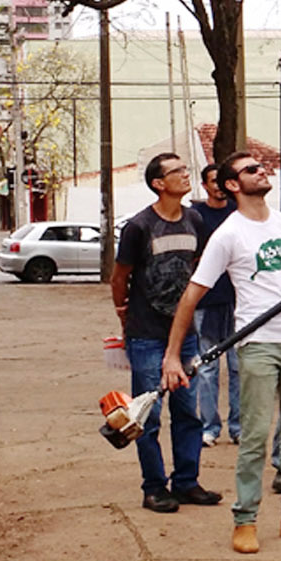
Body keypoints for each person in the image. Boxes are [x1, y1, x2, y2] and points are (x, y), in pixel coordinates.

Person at [162, 151, 281, 554]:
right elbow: (192, 295)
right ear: (232, 185)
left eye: (262, 168)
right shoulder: (228, 234)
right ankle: (244, 519)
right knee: (256, 435)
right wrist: (173, 355)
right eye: (250, 170)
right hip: (258, 343)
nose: (261, 172)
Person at [112, 153, 221, 513]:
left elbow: (199, 264)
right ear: (159, 183)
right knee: (147, 413)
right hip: (146, 333)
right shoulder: (139, 227)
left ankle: (187, 482)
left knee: (189, 410)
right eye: (177, 171)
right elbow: (120, 276)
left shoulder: (194, 220)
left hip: (186, 332)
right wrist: (124, 314)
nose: (185, 175)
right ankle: (154, 487)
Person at [189, 163, 242, 445]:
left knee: (238, 366)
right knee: (208, 366)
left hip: (238, 301)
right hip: (207, 302)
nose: (218, 186)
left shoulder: (238, 214)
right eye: (213, 182)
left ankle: (238, 427)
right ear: (205, 185)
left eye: (222, 181)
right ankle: (209, 427)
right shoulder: (197, 216)